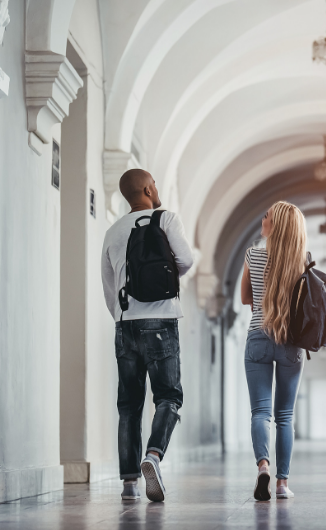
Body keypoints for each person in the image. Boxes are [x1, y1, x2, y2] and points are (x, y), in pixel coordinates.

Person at [101, 169, 194, 502]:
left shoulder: (112, 230)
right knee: (168, 396)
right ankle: (153, 456)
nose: (156, 188)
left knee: (129, 404)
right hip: (161, 319)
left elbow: (109, 286)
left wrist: (124, 314)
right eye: (153, 183)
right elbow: (186, 260)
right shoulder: (165, 219)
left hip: (125, 323)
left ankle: (128, 483)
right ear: (147, 188)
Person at [240, 201, 307, 501]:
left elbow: (245, 299)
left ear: (275, 226)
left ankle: (263, 467)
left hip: (258, 336)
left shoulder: (252, 254)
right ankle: (282, 484)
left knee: (260, 413)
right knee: (285, 416)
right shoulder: (302, 260)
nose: (262, 219)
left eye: (266, 216)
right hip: (291, 342)